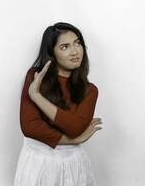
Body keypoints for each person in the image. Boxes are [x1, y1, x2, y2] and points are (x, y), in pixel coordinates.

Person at [13, 22, 102, 186]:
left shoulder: (90, 90)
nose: (75, 51)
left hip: (72, 164)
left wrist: (36, 96)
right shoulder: (35, 76)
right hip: (37, 163)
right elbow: (29, 127)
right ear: (52, 53)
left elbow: (75, 128)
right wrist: (72, 140)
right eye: (64, 47)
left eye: (77, 43)